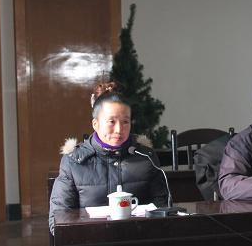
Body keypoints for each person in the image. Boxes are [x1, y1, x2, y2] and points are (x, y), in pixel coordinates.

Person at [49, 82, 168, 232]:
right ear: (95, 124)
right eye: (111, 122)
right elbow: (59, 218)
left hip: (139, 237)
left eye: (125, 122)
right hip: (90, 240)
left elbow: (163, 208)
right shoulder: (74, 162)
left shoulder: (146, 157)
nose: (119, 129)